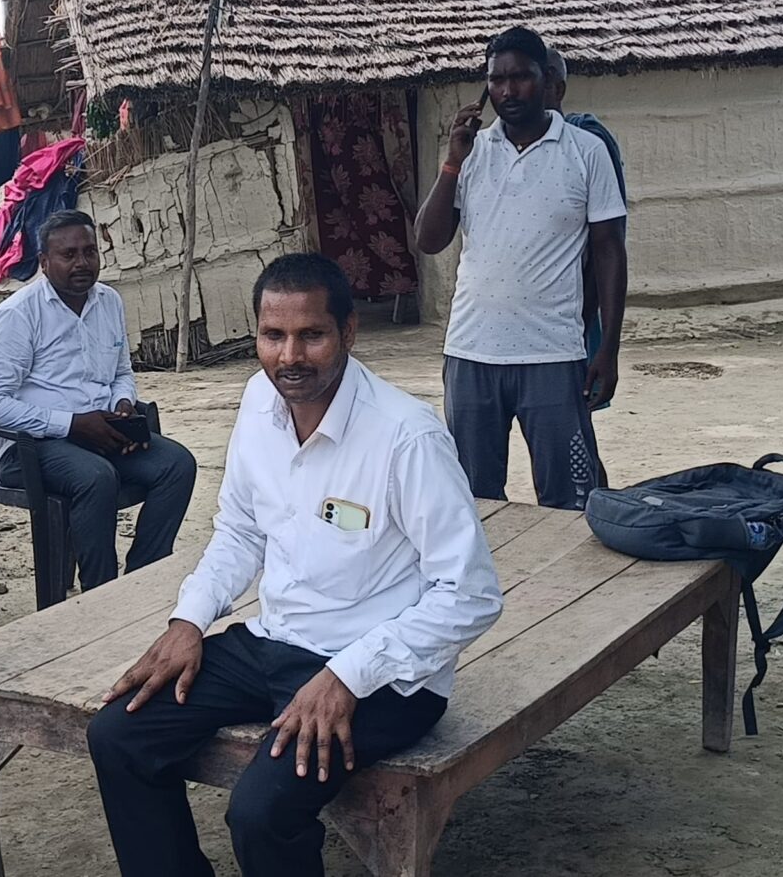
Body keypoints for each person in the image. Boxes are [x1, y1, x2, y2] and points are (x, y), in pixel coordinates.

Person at [85, 253, 503, 877]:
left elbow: (469, 593)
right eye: (273, 335)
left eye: (312, 335)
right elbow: (240, 530)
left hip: (384, 678)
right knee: (119, 735)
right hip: (275, 642)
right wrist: (189, 620)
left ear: (349, 332)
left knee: (261, 813)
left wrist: (347, 675)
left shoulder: (406, 437)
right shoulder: (260, 400)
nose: (290, 357)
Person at [410, 26, 628, 508]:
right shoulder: (472, 153)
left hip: (553, 354)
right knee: (473, 501)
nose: (508, 91)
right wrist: (452, 161)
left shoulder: (586, 151)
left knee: (571, 501)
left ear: (546, 79)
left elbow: (610, 252)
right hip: (471, 352)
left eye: (520, 77)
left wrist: (608, 348)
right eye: (497, 80)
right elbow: (428, 239)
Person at [0, 209, 197, 591]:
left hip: (101, 431)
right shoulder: (18, 314)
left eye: (89, 252)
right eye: (69, 254)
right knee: (96, 477)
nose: (82, 262)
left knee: (177, 465)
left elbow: (121, 372)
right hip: (31, 445)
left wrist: (123, 404)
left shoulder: (108, 301)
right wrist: (72, 424)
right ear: (44, 262)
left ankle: (143, 579)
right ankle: (101, 595)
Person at [544, 48, 628, 416]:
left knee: (571, 422)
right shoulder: (494, 148)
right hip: (530, 320)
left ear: (557, 88)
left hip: (576, 305)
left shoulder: (588, 143)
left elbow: (607, 243)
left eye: (534, 78)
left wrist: (593, 325)